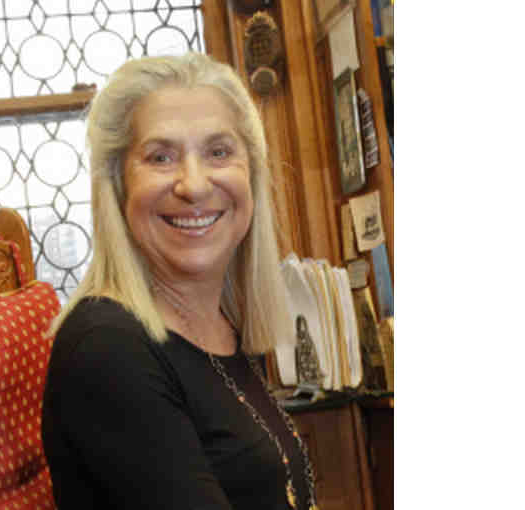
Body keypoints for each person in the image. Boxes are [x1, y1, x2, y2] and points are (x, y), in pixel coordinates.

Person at [42, 52, 319, 510]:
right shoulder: (108, 349)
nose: (194, 185)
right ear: (118, 185)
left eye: (218, 152)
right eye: (161, 157)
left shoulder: (223, 324)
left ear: (251, 171)